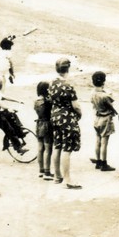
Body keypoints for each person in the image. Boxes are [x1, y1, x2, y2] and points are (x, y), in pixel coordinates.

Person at [48, 57, 82, 189]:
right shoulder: (68, 86)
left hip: (55, 116)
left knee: (57, 145)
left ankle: (57, 176)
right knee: (67, 149)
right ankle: (67, 179)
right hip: (66, 118)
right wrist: (79, 114)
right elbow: (76, 106)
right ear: (68, 69)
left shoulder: (52, 83)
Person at [0, 76, 28, 154]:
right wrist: (10, 108)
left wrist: (17, 101)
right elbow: (1, 104)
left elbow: (5, 97)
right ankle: (18, 148)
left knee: (11, 115)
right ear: (1, 87)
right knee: (9, 130)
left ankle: (20, 131)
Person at [90, 71, 116, 172]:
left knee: (98, 141)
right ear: (103, 82)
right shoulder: (105, 95)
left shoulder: (92, 93)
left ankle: (98, 162)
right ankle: (104, 163)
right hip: (105, 119)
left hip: (97, 118)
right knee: (104, 142)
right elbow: (111, 104)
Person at [34, 80, 54, 180]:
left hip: (39, 124)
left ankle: (40, 171)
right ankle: (47, 172)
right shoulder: (48, 102)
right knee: (48, 149)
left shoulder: (36, 101)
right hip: (47, 125)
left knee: (40, 148)